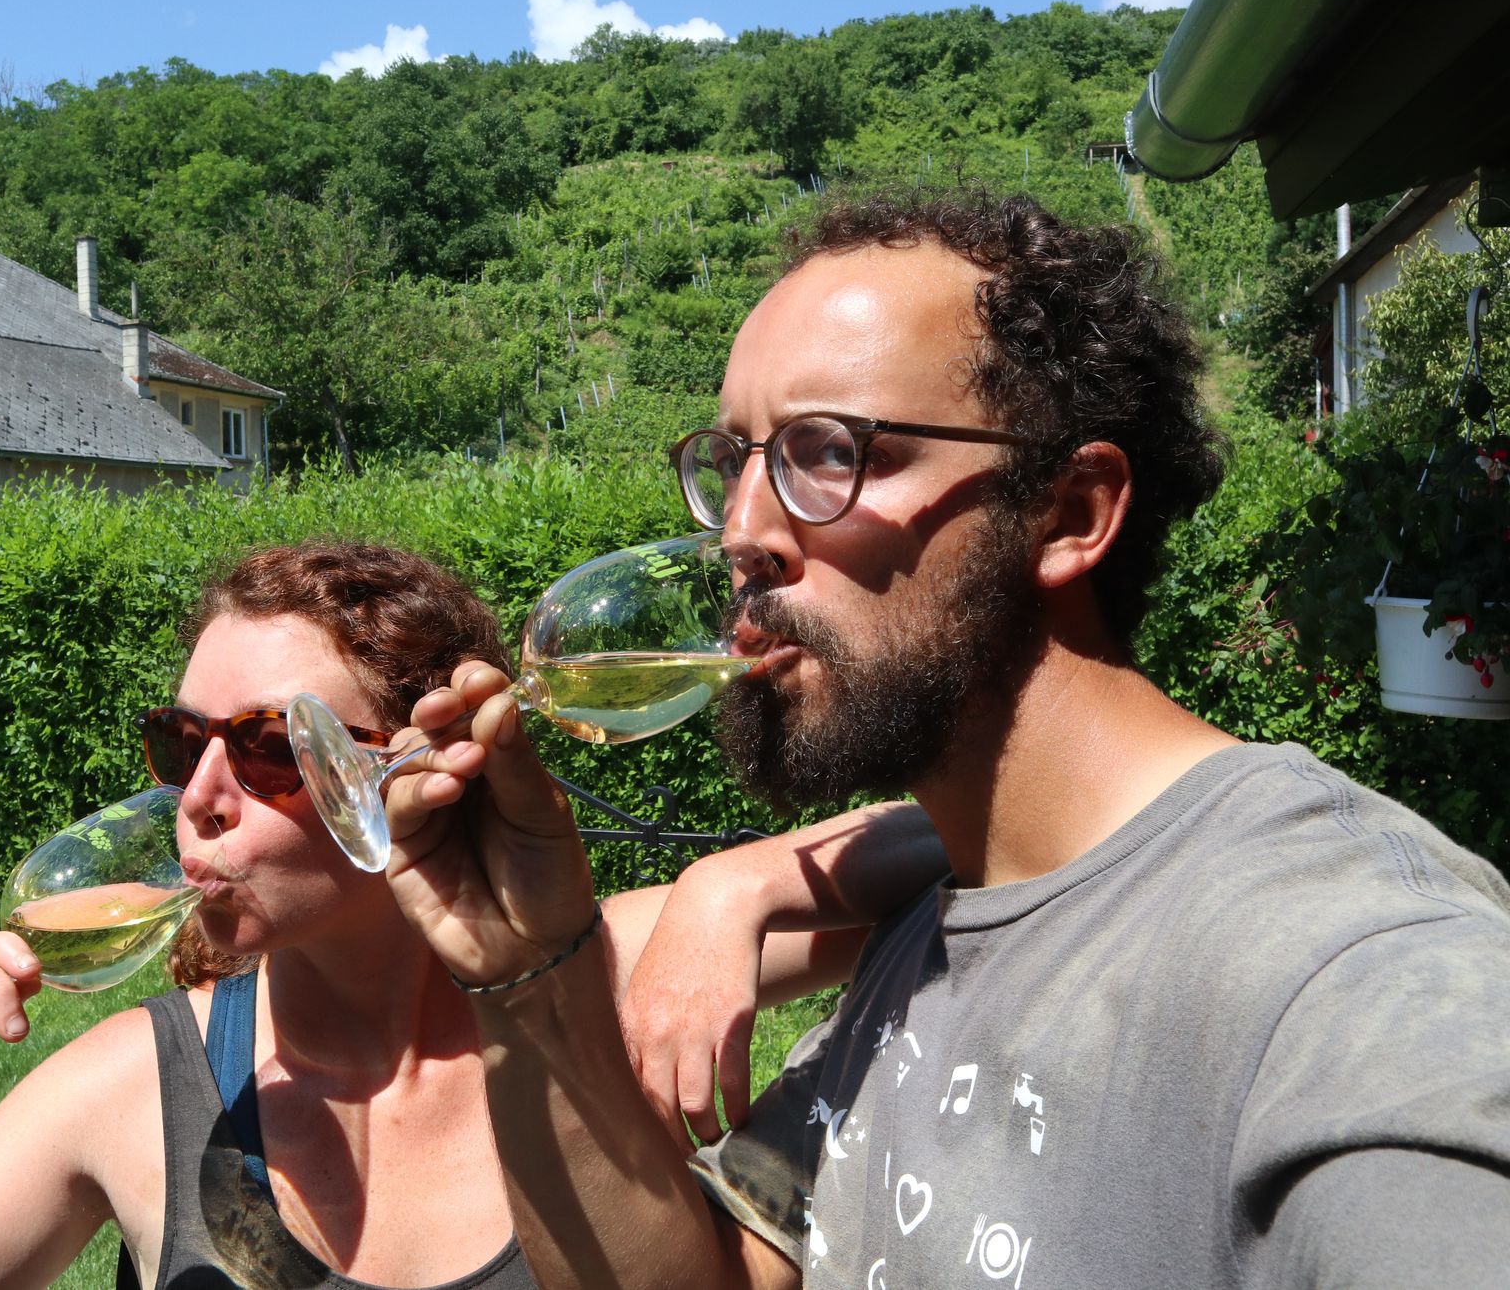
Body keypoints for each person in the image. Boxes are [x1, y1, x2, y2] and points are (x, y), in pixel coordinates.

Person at [377, 189, 1510, 1288]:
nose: (741, 533)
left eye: (828, 451)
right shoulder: (937, 922)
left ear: (1067, 514)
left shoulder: (1356, 977)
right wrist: (529, 978)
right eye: (734, 461)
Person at [0, 539, 945, 1290]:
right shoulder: (141, 1084)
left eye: (273, 749)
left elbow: (982, 836)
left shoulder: (590, 965)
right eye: (181, 743)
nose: (200, 799)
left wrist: (733, 887)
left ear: (416, 769)